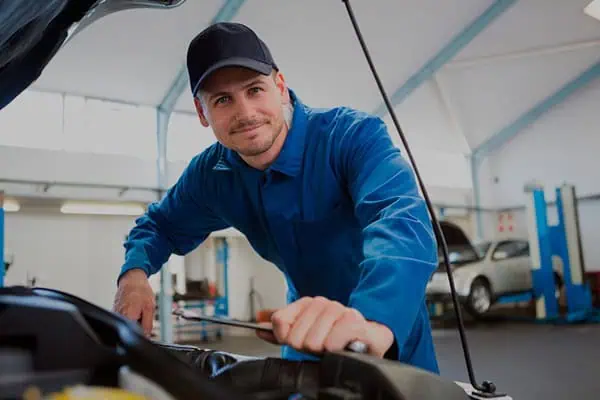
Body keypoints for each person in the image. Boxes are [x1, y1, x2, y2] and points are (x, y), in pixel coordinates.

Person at [113, 22, 440, 374]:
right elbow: (160, 225)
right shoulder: (212, 176)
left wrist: (373, 320)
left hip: (387, 327)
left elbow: (401, 220)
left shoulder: (352, 137)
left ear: (280, 86)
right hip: (302, 336)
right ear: (202, 112)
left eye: (255, 89)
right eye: (222, 100)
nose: (245, 113)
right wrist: (134, 276)